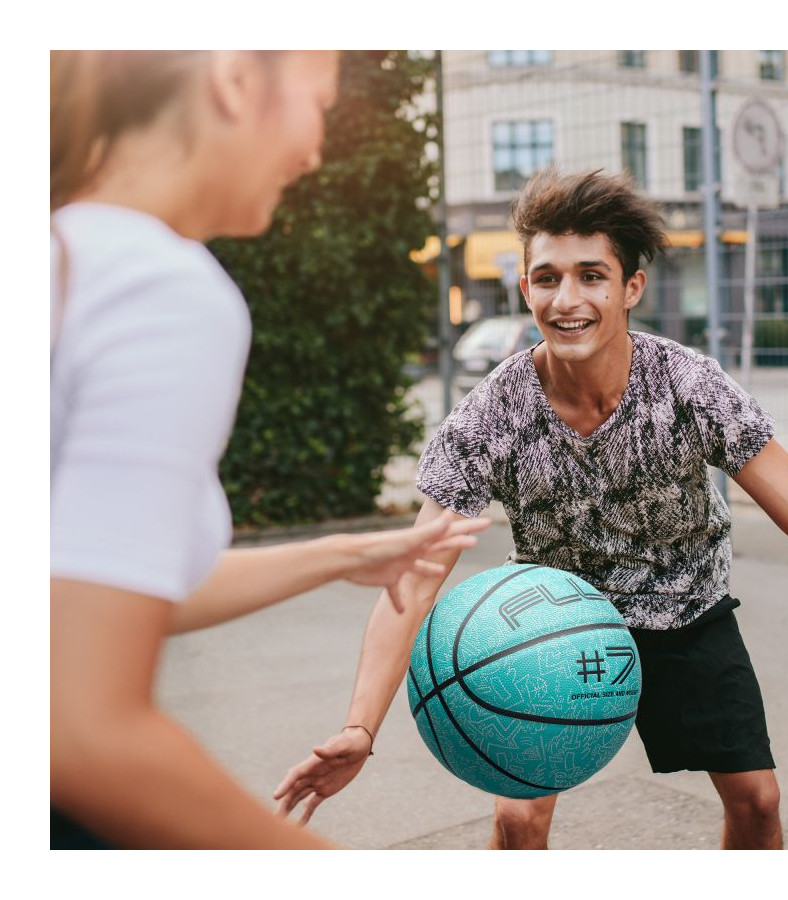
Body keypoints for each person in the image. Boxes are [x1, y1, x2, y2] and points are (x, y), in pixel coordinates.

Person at [273, 166, 788, 850]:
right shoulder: (492, 413)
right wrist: (360, 727)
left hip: (686, 610)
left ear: (631, 287)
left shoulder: (688, 386)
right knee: (518, 820)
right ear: (526, 289)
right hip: (552, 624)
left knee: (757, 802)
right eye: (547, 278)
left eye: (591, 275)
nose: (567, 299)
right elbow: (416, 577)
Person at [49, 49, 490, 850]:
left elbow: (90, 596)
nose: (315, 151)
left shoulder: (64, 248)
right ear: (235, 79)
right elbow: (81, 730)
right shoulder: (159, 287)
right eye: (319, 102)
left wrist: (344, 553)